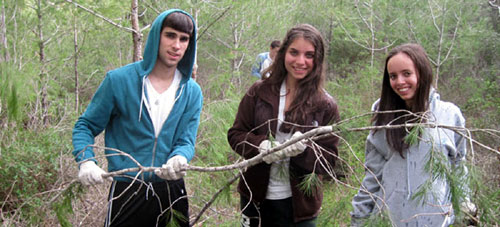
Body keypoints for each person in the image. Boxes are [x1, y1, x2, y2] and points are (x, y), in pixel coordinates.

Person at [72, 9, 202, 227]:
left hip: (171, 190)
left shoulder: (191, 91)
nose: (177, 46)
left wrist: (179, 157)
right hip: (127, 188)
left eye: (184, 39)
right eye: (170, 35)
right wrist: (86, 161)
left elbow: (186, 140)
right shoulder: (119, 81)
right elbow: (85, 125)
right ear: (156, 36)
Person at [228, 24, 340, 226]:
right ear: (283, 53)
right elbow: (236, 134)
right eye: (294, 52)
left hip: (300, 208)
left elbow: (330, 160)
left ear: (318, 59)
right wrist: (259, 145)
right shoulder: (259, 92)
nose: (300, 61)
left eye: (309, 55)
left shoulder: (325, 105)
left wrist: (304, 150)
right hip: (255, 197)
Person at [350, 43, 469, 226]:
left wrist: (464, 206)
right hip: (388, 220)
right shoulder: (383, 115)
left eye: (407, 73)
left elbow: (459, 168)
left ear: (422, 72)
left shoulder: (449, 115)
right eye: (393, 76)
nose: (399, 82)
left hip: (437, 221)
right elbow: (372, 175)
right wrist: (359, 218)